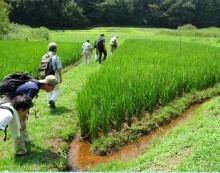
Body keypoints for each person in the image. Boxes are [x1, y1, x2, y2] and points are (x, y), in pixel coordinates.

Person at [43, 42, 63, 108]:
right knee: (56, 89)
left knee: (48, 88)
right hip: (54, 76)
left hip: (46, 76)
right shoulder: (56, 57)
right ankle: (52, 100)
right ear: (54, 49)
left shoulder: (44, 56)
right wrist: (60, 77)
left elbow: (42, 67)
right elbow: (59, 69)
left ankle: (50, 103)